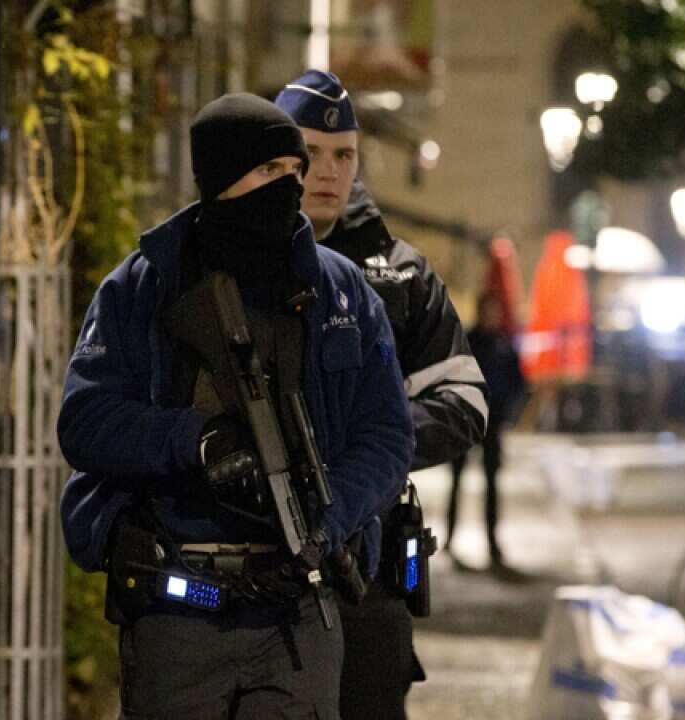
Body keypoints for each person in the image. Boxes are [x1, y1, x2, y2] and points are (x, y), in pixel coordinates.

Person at [57, 92, 414, 719]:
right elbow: (86, 422)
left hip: (300, 609)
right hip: (181, 606)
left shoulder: (341, 291)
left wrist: (328, 514)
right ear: (222, 179)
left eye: (294, 171)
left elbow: (386, 437)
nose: (290, 185)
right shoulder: (144, 285)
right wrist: (195, 440)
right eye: (269, 171)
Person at [274, 70, 489, 720]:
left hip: (367, 570)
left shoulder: (399, 273)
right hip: (258, 568)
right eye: (310, 153)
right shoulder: (235, 263)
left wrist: (368, 444)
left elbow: (466, 402)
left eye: (344, 155)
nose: (328, 171)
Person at [447, 291, 527, 570]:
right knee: (457, 481)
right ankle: (449, 538)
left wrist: (508, 411)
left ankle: (492, 542)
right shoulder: (468, 341)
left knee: (491, 484)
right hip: (466, 420)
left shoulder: (503, 343)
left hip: (492, 422)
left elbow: (518, 381)